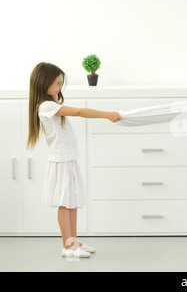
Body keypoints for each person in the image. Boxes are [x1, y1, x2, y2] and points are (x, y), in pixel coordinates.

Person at [27, 62, 122, 258]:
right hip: (61, 161)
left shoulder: (52, 105)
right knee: (65, 203)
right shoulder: (46, 106)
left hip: (68, 159)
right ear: (43, 84)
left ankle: (74, 241)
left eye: (61, 83)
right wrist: (108, 115)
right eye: (56, 83)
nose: (59, 88)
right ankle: (67, 246)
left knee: (72, 202)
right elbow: (79, 112)